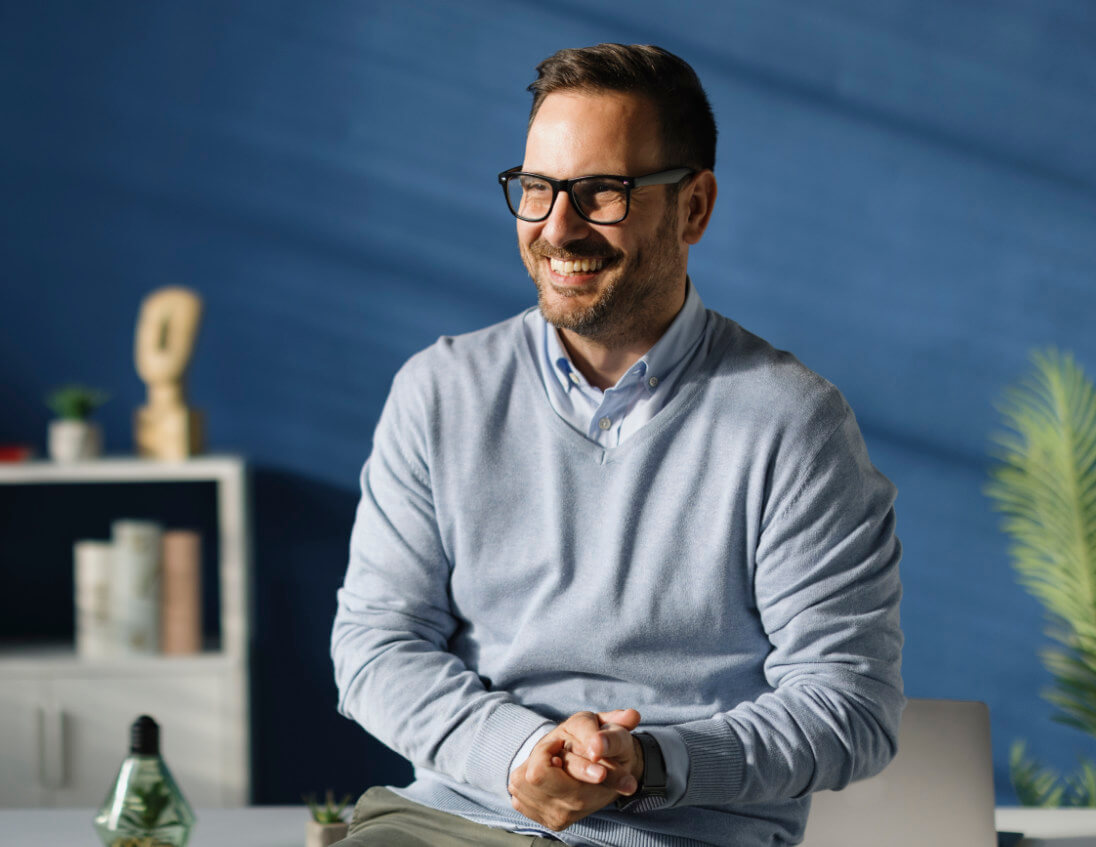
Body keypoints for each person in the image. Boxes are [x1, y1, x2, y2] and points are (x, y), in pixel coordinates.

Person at [328, 43, 905, 847]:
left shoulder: (793, 425)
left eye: (602, 193)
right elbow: (373, 648)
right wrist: (520, 751)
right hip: (454, 823)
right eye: (535, 189)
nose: (557, 227)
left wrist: (649, 764)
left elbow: (849, 707)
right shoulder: (439, 392)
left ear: (694, 207)